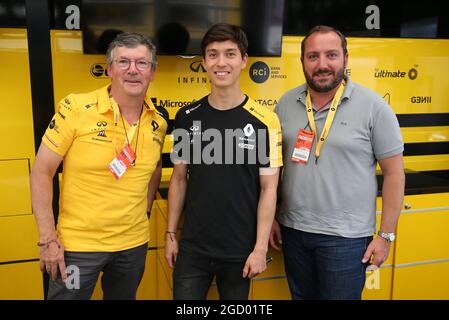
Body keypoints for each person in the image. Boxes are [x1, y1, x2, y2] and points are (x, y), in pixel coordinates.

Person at [30, 32, 169, 300]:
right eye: (123, 62)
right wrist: (47, 239)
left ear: (152, 72)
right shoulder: (77, 108)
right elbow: (42, 171)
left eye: (142, 63)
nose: (132, 70)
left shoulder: (157, 121)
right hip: (77, 248)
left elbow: (153, 170)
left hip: (133, 247)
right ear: (109, 68)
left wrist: (146, 210)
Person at [270, 25, 405, 300]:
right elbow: (276, 168)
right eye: (313, 56)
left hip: (347, 240)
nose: (322, 64)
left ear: (345, 58)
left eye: (331, 55)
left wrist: (386, 236)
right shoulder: (285, 104)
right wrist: (272, 217)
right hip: (293, 231)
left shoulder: (374, 107)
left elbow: (394, 174)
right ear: (302, 61)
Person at [165, 23, 283, 300]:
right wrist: (170, 234)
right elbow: (179, 178)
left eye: (230, 54)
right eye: (213, 54)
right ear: (204, 62)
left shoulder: (266, 121)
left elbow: (269, 189)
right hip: (193, 249)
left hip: (240, 251)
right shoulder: (186, 117)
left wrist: (259, 249)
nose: (221, 62)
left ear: (243, 61)